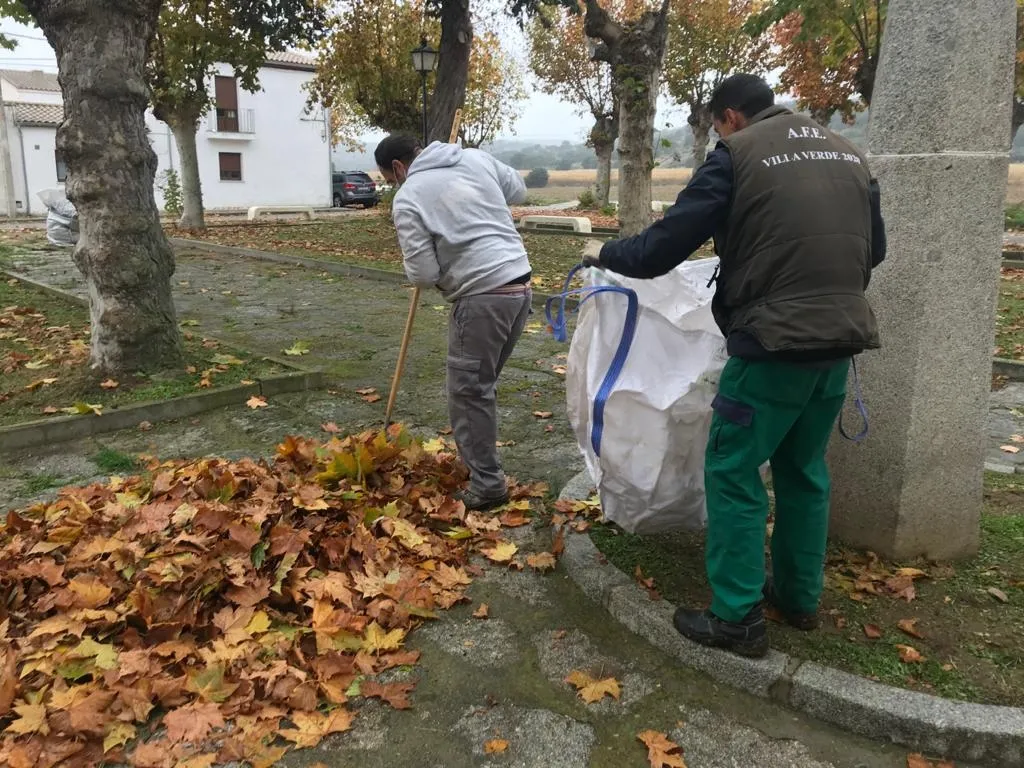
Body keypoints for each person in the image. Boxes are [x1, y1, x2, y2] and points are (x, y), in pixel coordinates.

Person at [586, 74, 887, 657]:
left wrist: (606, 253)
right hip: (839, 345)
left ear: (729, 118)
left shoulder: (736, 156)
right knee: (804, 470)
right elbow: (874, 250)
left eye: (718, 125)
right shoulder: (848, 152)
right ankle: (798, 599)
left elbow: (659, 250)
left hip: (771, 346)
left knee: (732, 470)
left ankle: (737, 619)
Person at [375, 134, 532, 511]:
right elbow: (520, 190)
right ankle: (483, 467)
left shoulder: (409, 195)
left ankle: (488, 486)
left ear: (398, 167)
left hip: (482, 297)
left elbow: (423, 273)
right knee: (480, 386)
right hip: (521, 286)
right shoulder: (475, 159)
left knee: (469, 394)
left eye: (389, 178)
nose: (393, 185)